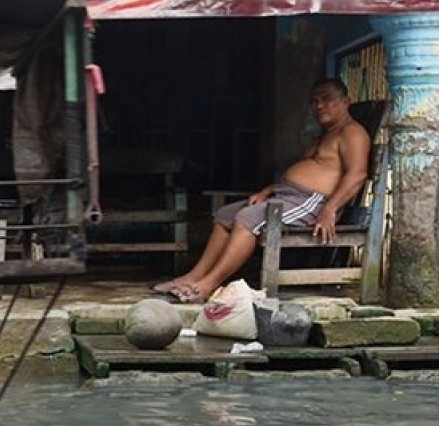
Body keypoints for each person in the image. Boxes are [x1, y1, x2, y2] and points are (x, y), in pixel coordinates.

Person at [154, 78, 370, 303]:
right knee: (226, 215)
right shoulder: (325, 135)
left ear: (346, 102)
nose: (319, 106)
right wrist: (268, 190)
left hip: (313, 202)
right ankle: (193, 277)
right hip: (289, 197)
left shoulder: (351, 133)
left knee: (248, 219)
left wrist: (330, 209)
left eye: (326, 99)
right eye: (315, 101)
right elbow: (305, 171)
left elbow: (357, 174)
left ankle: (207, 285)